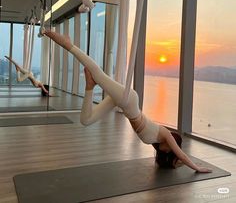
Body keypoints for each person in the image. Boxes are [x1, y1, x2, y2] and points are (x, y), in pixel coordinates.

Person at [44, 30, 212, 173]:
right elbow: (181, 156)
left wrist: (181, 163)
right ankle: (69, 46)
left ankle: (89, 86)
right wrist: (197, 168)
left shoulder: (159, 143)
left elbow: (178, 160)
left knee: (86, 120)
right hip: (129, 101)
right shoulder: (166, 135)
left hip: (123, 104)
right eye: (174, 148)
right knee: (97, 73)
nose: (170, 150)